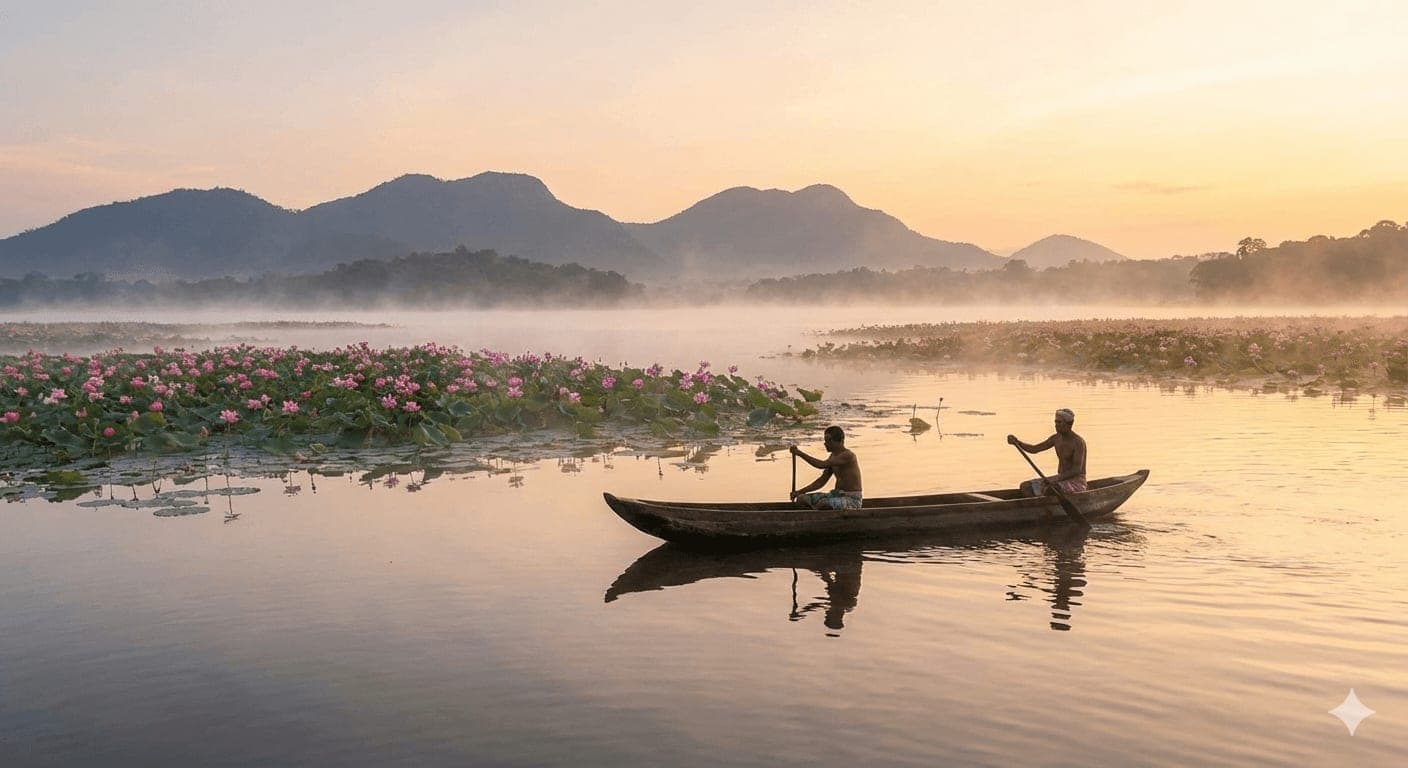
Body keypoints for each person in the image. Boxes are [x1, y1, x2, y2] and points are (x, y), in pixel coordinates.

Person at [1007, 408, 1088, 496]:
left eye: (1059, 422)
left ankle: (1044, 506)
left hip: (1076, 482)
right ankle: (1037, 507)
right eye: (1055, 422)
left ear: (1069, 424)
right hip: (1059, 480)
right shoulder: (1056, 438)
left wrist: (1055, 479)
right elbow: (1035, 449)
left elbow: (1076, 470)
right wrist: (1017, 442)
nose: (1056, 425)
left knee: (1051, 489)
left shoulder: (1078, 442)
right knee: (1025, 486)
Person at [790, 425, 863, 510]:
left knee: (824, 504)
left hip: (852, 500)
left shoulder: (848, 455)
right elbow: (821, 482)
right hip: (836, 495)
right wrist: (799, 492)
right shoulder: (832, 457)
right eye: (825, 441)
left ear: (840, 441)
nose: (825, 444)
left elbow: (821, 465)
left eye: (829, 441)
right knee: (801, 499)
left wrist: (800, 454)